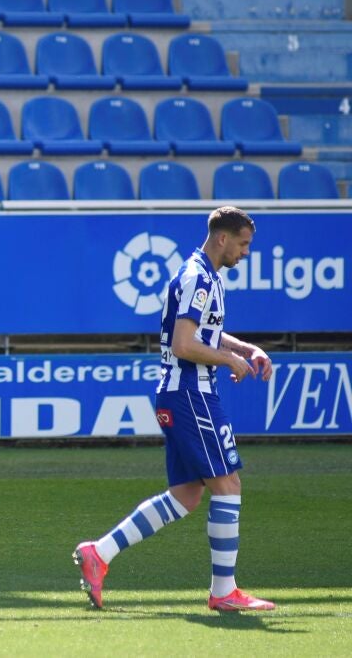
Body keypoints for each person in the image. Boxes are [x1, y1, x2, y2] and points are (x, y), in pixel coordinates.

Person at [74, 206, 276, 613]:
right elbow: (184, 344)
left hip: (178, 394)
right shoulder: (198, 277)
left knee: (185, 496)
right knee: (228, 485)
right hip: (190, 394)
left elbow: (205, 332)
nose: (245, 252)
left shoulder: (202, 274)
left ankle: (99, 552)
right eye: (243, 244)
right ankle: (224, 591)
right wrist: (228, 360)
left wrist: (243, 348)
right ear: (222, 238)